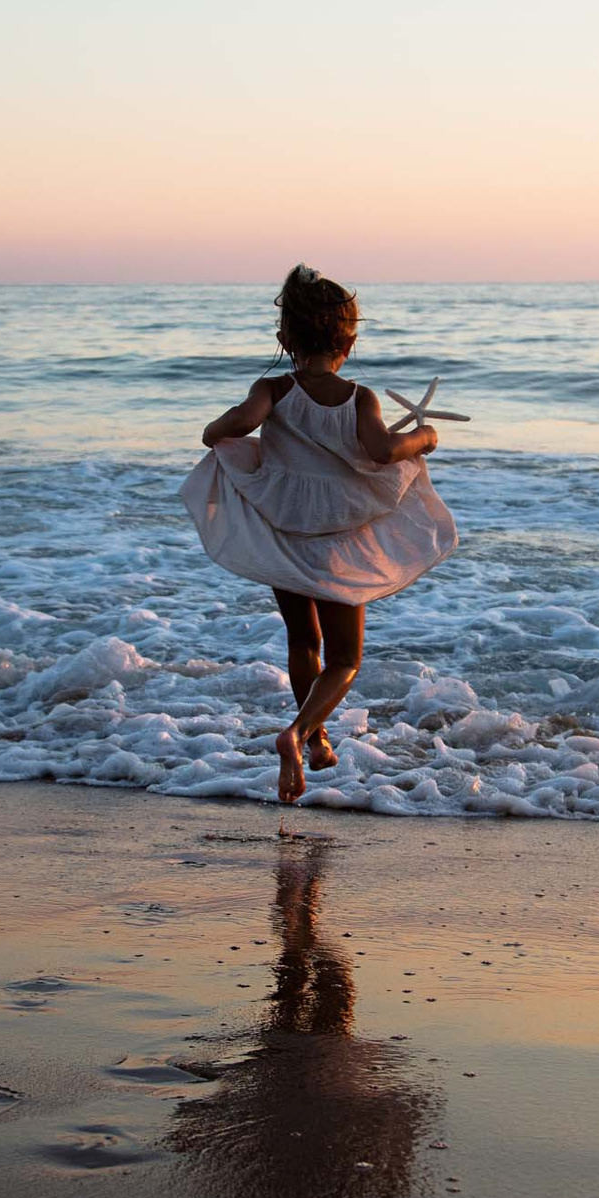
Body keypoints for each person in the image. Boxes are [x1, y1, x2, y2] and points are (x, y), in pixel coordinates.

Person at [182, 266, 456, 809]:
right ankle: (301, 731)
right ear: (349, 341)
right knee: (345, 658)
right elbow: (381, 452)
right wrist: (422, 437)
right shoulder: (359, 398)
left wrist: (219, 433)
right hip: (340, 541)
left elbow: (228, 429)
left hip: (284, 532)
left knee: (302, 641)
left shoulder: (273, 389)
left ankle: (316, 734)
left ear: (285, 340)